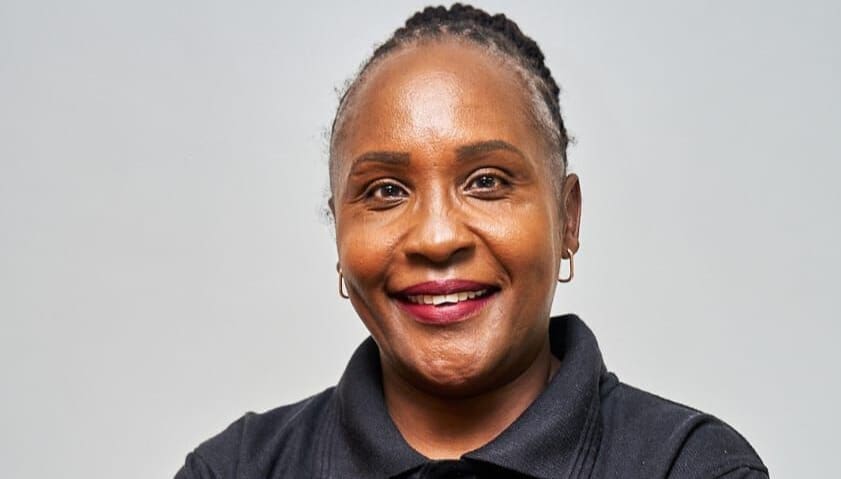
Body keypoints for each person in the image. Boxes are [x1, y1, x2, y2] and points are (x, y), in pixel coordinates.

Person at [175, 4, 767, 478]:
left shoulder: (688, 466)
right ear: (339, 234)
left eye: (486, 182)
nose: (437, 238)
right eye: (385, 191)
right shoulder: (237, 468)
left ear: (568, 220)